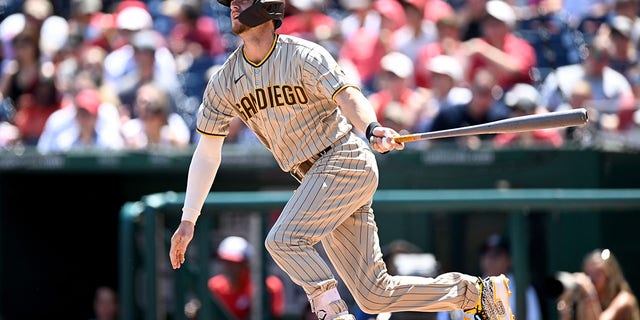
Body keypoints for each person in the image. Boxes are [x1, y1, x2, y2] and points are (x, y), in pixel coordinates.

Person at [168, 1, 515, 320]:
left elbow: (348, 96)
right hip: (314, 177)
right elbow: (208, 150)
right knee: (373, 295)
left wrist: (372, 127)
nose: (233, 6)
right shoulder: (226, 79)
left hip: (343, 157)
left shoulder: (303, 54)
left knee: (283, 239)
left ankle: (332, 312)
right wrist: (188, 218)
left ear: (267, 5)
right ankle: (478, 293)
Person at [207, 235, 286, 320]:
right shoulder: (214, 286)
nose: (228, 267)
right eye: (225, 262)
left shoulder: (269, 286)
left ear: (246, 264)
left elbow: (275, 315)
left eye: (235, 263)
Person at [556, 249, 640, 320]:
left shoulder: (624, 301)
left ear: (609, 275)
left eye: (597, 274)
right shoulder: (586, 299)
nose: (591, 279)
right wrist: (565, 305)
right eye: (588, 274)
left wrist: (590, 293)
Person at [477, 234, 542, 320]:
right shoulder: (471, 287)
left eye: (496, 255)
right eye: (486, 254)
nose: (490, 260)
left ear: (509, 260)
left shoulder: (523, 289)